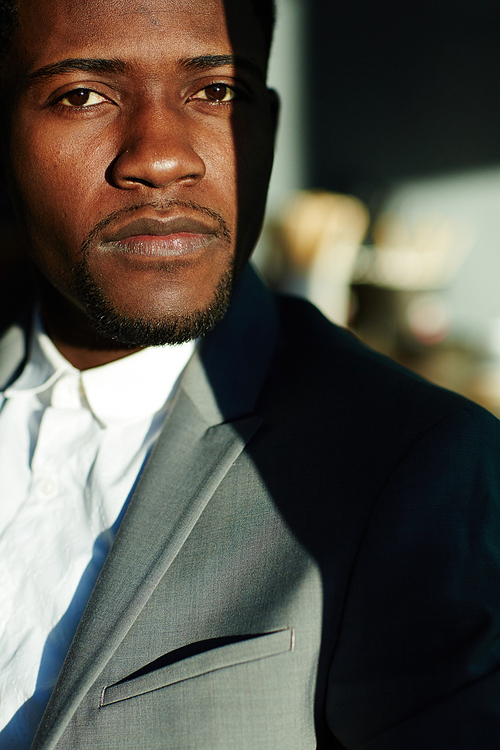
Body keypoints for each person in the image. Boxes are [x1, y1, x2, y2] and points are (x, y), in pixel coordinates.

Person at [0, 0, 499, 747]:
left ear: (265, 122)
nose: (163, 157)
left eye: (217, 92)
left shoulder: (410, 464)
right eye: (83, 95)